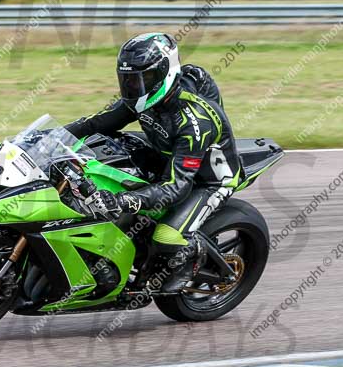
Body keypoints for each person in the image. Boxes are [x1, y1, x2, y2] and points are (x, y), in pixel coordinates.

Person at [65, 33, 243, 293]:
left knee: (167, 237)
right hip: (168, 157)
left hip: (206, 180)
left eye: (141, 79)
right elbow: (93, 124)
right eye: (127, 79)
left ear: (164, 74)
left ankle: (187, 261)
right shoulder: (142, 100)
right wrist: (45, 139)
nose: (132, 87)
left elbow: (176, 187)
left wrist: (126, 201)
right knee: (99, 162)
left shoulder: (193, 122)